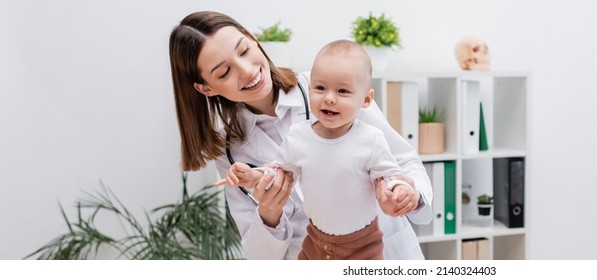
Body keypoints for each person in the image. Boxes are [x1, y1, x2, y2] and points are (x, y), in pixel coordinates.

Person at [168, 11, 432, 260]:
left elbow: (404, 161)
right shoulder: (229, 151)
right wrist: (269, 213)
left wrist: (408, 194)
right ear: (205, 88)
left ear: (252, 38)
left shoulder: (333, 86)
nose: (247, 70)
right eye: (225, 72)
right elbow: (259, 257)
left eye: (245, 50)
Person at [218, 39, 412, 260]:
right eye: (320, 88)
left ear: (366, 99)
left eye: (342, 91)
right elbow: (279, 171)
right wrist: (253, 176)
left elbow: (390, 174)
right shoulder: (298, 137)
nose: (329, 98)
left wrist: (399, 189)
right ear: (310, 89)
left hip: (362, 245)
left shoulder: (370, 139)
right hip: (315, 242)